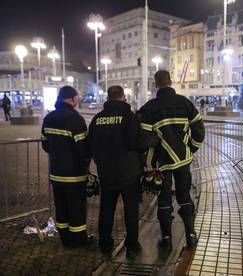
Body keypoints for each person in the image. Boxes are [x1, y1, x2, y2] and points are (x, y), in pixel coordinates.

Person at [88, 86, 159, 258]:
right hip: (129, 173)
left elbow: (91, 145)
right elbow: (138, 141)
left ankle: (105, 243)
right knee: (131, 211)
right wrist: (154, 139)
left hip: (107, 173)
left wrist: (101, 162)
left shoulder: (97, 119)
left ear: (108, 97)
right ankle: (132, 246)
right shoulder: (129, 116)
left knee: (106, 210)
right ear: (122, 97)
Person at [139, 70, 205, 251]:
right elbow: (199, 130)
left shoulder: (148, 108)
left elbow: (144, 139)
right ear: (170, 81)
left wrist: (147, 161)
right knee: (185, 195)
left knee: (164, 198)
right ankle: (191, 235)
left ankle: (166, 237)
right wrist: (191, 148)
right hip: (183, 161)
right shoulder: (185, 103)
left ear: (155, 84)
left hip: (161, 163)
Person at [41, 86, 93, 248]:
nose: (78, 100)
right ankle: (78, 240)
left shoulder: (49, 118)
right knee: (76, 207)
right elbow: (83, 148)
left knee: (61, 206)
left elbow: (45, 144)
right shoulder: (75, 119)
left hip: (56, 173)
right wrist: (86, 163)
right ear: (71, 98)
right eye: (77, 97)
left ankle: (65, 239)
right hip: (74, 174)